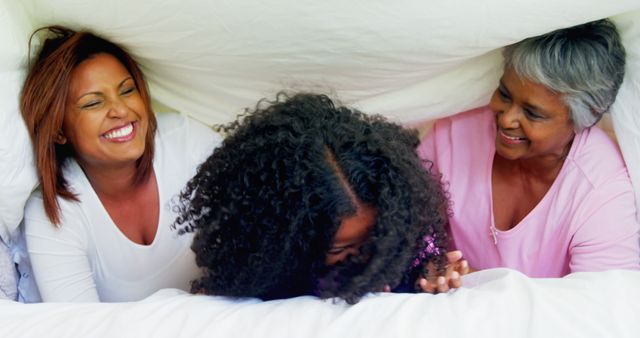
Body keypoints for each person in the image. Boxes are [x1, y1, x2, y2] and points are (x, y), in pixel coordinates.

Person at [173, 93, 461, 304]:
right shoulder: (259, 270)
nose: (367, 255)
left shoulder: (402, 243)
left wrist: (434, 275)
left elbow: (435, 267)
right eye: (344, 247)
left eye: (375, 235)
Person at [419, 19, 640, 277]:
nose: (506, 119)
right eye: (504, 94)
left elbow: (601, 303)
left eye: (533, 114)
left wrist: (475, 284)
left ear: (585, 116)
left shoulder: (601, 189)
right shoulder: (455, 134)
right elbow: (402, 226)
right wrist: (428, 266)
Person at [19, 26, 221, 302]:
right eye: (93, 103)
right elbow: (78, 327)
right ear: (58, 131)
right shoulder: (54, 213)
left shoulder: (186, 143)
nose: (121, 110)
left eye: (127, 90)